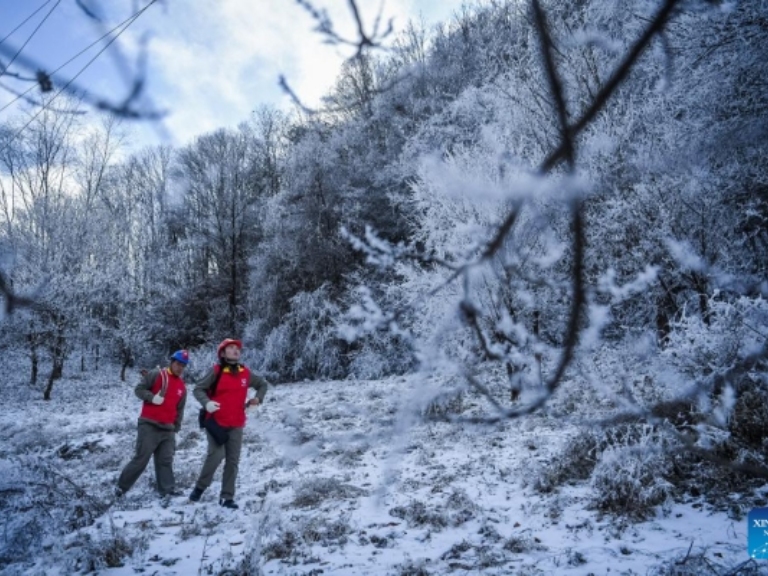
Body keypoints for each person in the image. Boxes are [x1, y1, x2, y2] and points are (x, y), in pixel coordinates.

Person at [189, 338, 269, 509]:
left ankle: (227, 497)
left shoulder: (245, 373)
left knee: (232, 461)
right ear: (223, 353)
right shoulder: (216, 371)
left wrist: (257, 399)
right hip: (216, 422)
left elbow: (262, 384)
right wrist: (207, 403)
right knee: (216, 455)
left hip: (237, 423)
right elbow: (198, 389)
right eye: (231, 348)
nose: (235, 350)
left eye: (237, 348)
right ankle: (200, 487)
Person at [116, 350, 189, 499]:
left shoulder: (182, 387)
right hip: (149, 425)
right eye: (178, 363)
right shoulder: (157, 374)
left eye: (183, 365)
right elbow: (139, 390)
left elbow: (179, 409)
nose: (180, 367)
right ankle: (121, 488)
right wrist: (151, 398)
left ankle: (167, 491)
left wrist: (176, 426)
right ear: (172, 362)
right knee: (141, 459)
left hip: (168, 429)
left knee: (165, 460)